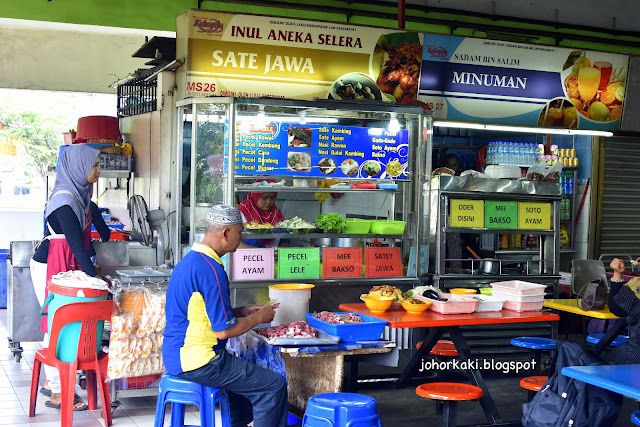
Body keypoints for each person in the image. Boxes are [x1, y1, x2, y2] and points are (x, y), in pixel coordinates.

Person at [163, 205, 288, 427]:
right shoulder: (211, 269)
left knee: (243, 380)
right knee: (273, 386)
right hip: (201, 362)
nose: (240, 239)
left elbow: (202, 313)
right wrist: (260, 317)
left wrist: (241, 312)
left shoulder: (190, 262)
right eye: (239, 232)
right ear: (226, 232)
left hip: (176, 356)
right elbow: (224, 331)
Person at [30, 144, 110, 410]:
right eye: (95, 165)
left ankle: (52, 382)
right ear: (78, 168)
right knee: (57, 322)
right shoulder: (64, 202)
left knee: (64, 321)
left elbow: (95, 229)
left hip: (68, 264)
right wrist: (95, 280)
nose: (99, 170)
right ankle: (57, 391)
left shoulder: (81, 197)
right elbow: (77, 245)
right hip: (51, 263)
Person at [604, 258, 640, 364]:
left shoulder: (637, 285)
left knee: (600, 365)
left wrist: (617, 274)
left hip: (635, 355)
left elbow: (617, 308)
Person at [237, 179, 286, 247]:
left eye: (272, 198)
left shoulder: (276, 213)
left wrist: (279, 254)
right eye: (264, 197)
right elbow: (233, 242)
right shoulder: (241, 212)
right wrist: (260, 253)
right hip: (248, 256)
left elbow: (285, 240)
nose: (268, 201)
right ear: (255, 196)